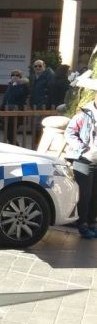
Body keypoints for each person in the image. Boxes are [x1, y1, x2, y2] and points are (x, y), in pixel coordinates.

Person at [64, 99, 97, 239]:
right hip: (84, 159)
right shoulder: (84, 114)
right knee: (85, 194)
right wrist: (82, 149)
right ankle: (82, 224)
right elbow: (70, 132)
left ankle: (91, 224)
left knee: (95, 195)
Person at [0, 69, 29, 144]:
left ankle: (15, 146)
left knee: (11, 133)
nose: (15, 77)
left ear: (20, 77)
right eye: (13, 75)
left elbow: (19, 95)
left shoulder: (23, 86)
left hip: (16, 112)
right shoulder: (10, 85)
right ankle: (13, 145)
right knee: (6, 132)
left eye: (17, 75)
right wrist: (2, 108)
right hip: (7, 112)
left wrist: (17, 84)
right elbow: (6, 98)